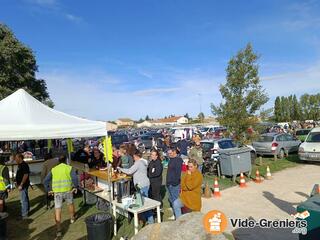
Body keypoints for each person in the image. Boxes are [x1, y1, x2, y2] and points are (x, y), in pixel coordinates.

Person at [44, 155, 78, 238]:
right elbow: (74, 178)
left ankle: (59, 230)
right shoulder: (69, 168)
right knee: (70, 204)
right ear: (66, 160)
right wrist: (75, 187)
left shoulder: (54, 169)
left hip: (57, 192)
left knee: (57, 209)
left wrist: (48, 190)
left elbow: (46, 181)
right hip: (68, 190)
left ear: (58, 161)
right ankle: (72, 218)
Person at [118, 149, 154, 224]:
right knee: (144, 202)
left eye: (133, 156)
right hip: (144, 183)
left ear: (136, 156)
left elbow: (130, 171)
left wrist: (120, 169)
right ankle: (146, 219)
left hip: (141, 185)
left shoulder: (138, 163)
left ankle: (151, 221)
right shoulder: (143, 161)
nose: (133, 158)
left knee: (145, 204)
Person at [166, 146, 183, 220]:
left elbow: (178, 173)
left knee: (175, 200)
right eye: (168, 153)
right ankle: (174, 212)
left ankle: (178, 217)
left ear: (174, 152)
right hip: (169, 183)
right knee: (171, 199)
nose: (169, 154)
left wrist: (175, 183)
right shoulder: (171, 159)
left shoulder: (178, 160)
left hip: (174, 184)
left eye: (171, 152)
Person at [15, 153, 30, 219]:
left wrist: (21, 184)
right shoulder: (20, 165)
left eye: (16, 158)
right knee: (25, 198)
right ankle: (26, 211)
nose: (15, 159)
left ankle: (24, 214)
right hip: (21, 184)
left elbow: (26, 175)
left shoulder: (24, 165)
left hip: (23, 185)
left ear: (20, 158)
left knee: (23, 199)